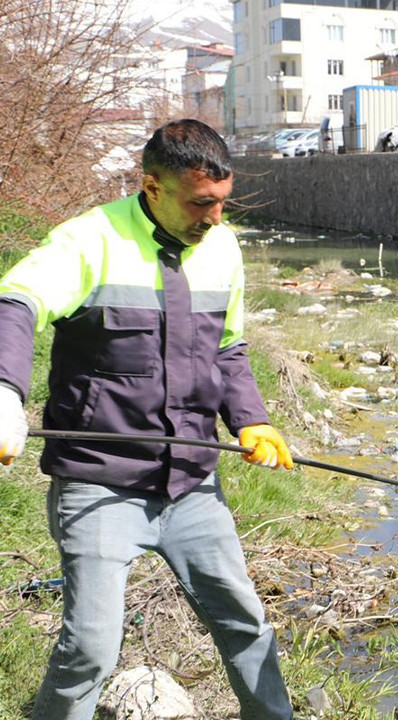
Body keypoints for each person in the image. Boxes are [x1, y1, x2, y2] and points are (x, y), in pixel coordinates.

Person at [0, 119, 295, 719]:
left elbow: (229, 348)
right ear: (153, 186)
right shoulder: (89, 240)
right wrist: (5, 393)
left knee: (246, 624)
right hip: (99, 483)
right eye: (200, 203)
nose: (215, 217)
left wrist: (251, 420)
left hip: (193, 484)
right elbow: (17, 302)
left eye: (222, 201)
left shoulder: (223, 247)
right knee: (89, 648)